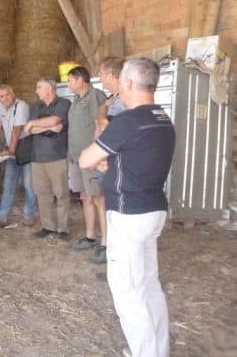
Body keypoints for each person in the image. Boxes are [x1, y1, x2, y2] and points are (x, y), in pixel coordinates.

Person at [79, 58, 175, 357]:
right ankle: (159, 350)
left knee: (128, 294)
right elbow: (137, 159)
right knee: (149, 285)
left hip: (128, 215)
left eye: (120, 79)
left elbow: (85, 159)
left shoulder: (129, 121)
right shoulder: (162, 119)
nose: (117, 85)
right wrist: (114, 163)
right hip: (153, 210)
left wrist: (101, 147)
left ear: (130, 83)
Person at [89, 56, 126, 265]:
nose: (100, 79)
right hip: (105, 160)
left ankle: (116, 256)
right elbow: (101, 117)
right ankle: (107, 246)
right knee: (102, 202)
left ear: (112, 74)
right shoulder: (112, 98)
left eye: (102, 74)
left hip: (115, 163)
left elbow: (109, 130)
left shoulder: (124, 102)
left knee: (116, 209)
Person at [0, 84, 37, 229]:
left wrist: (11, 150)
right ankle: (2, 218)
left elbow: (17, 129)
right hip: (12, 151)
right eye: (1, 96)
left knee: (29, 185)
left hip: (26, 151)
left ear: (12, 93)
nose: (5, 98)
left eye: (7, 94)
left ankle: (29, 215)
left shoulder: (21, 106)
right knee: (8, 186)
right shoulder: (1, 106)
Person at [23, 77, 70, 240]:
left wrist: (37, 124)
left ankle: (63, 228)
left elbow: (55, 120)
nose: (36, 91)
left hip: (57, 156)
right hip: (37, 157)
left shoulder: (64, 103)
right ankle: (48, 226)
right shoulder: (36, 107)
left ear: (49, 89)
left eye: (39, 87)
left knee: (61, 193)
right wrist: (49, 127)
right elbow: (30, 130)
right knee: (42, 193)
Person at [66, 66, 107, 251]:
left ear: (81, 79)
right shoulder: (76, 99)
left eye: (70, 80)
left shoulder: (95, 96)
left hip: (90, 158)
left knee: (99, 198)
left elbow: (100, 125)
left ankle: (106, 242)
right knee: (85, 197)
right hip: (76, 157)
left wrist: (96, 155)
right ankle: (90, 237)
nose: (68, 83)